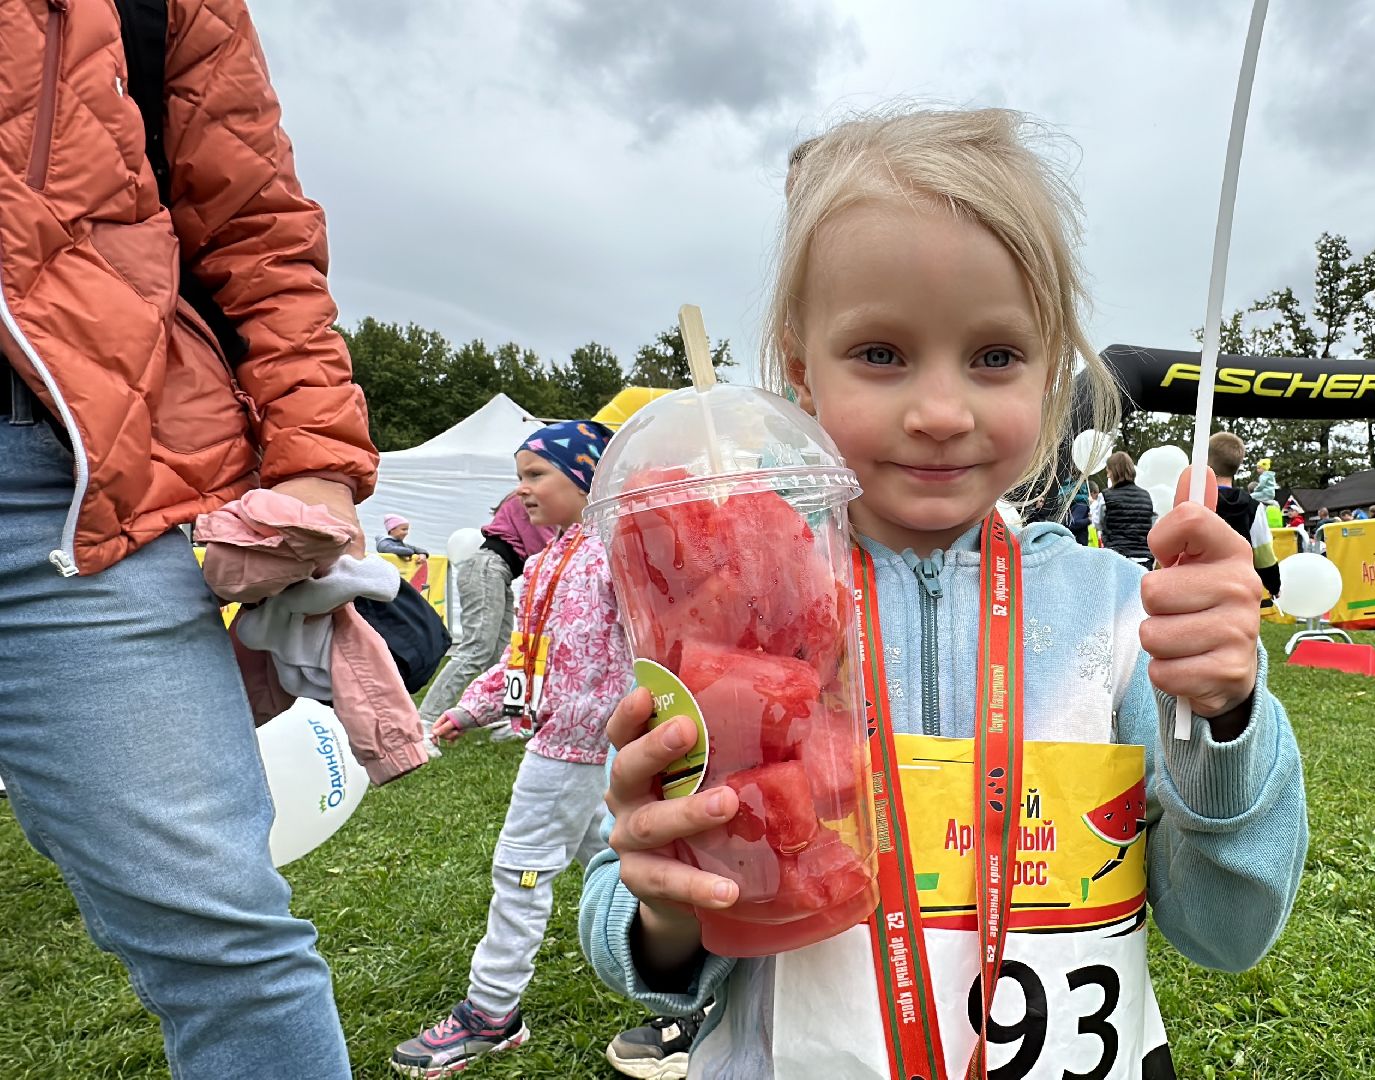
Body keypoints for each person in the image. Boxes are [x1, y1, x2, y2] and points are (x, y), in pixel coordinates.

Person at [579, 107, 1308, 1077]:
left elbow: (1229, 930)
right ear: (800, 370)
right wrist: (667, 905)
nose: (938, 412)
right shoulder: (736, 609)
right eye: (880, 354)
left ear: (1050, 376)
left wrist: (1225, 720)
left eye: (995, 356)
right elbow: (629, 922)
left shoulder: (1119, 616)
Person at [0, 3, 373, 1076]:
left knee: (222, 939)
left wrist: (314, 455)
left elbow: (254, 218)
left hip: (69, 492)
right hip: (79, 479)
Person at [392, 421, 639, 1075]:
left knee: (520, 871)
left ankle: (492, 1011)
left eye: (536, 475)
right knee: (616, 859)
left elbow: (644, 646)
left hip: (573, 746)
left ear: (587, 477)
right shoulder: (546, 561)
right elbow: (522, 657)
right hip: (567, 744)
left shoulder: (617, 555)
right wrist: (471, 708)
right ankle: (693, 972)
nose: (520, 490)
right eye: (519, 476)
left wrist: (604, 723)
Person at [414, 497, 556, 741]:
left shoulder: (527, 499)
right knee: (476, 649)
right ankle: (425, 721)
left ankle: (502, 717)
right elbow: (547, 550)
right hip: (487, 568)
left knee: (500, 655)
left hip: (497, 572)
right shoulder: (527, 499)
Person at [1206, 432, 1284, 609]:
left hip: (1201, 587)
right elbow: (1263, 555)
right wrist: (1274, 586)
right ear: (1238, 465)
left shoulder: (1196, 500)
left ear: (1206, 460)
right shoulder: (1253, 507)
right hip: (1238, 591)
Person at [1100, 450, 1156, 568]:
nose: (1108, 475)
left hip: (1117, 559)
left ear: (1114, 472)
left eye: (1108, 471)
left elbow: (1099, 524)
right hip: (1144, 559)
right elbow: (1151, 526)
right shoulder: (1146, 496)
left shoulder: (1105, 496)